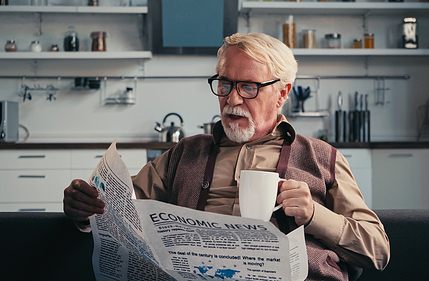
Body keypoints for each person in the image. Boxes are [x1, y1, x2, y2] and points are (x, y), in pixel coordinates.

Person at [64, 32, 390, 281]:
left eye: (249, 87)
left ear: (283, 93)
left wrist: (314, 215)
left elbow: (377, 249)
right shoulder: (185, 153)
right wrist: (86, 209)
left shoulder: (321, 157)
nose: (232, 99)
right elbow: (118, 209)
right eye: (224, 84)